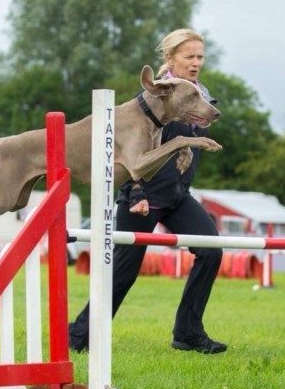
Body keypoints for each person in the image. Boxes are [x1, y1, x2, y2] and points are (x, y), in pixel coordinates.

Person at [69, 28, 226, 354]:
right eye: (189, 57)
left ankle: (188, 332)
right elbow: (130, 152)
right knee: (123, 273)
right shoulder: (156, 96)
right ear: (170, 59)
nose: (196, 63)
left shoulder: (198, 93)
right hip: (144, 196)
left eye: (200, 56)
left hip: (179, 195)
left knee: (211, 250)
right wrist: (137, 192)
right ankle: (78, 338)